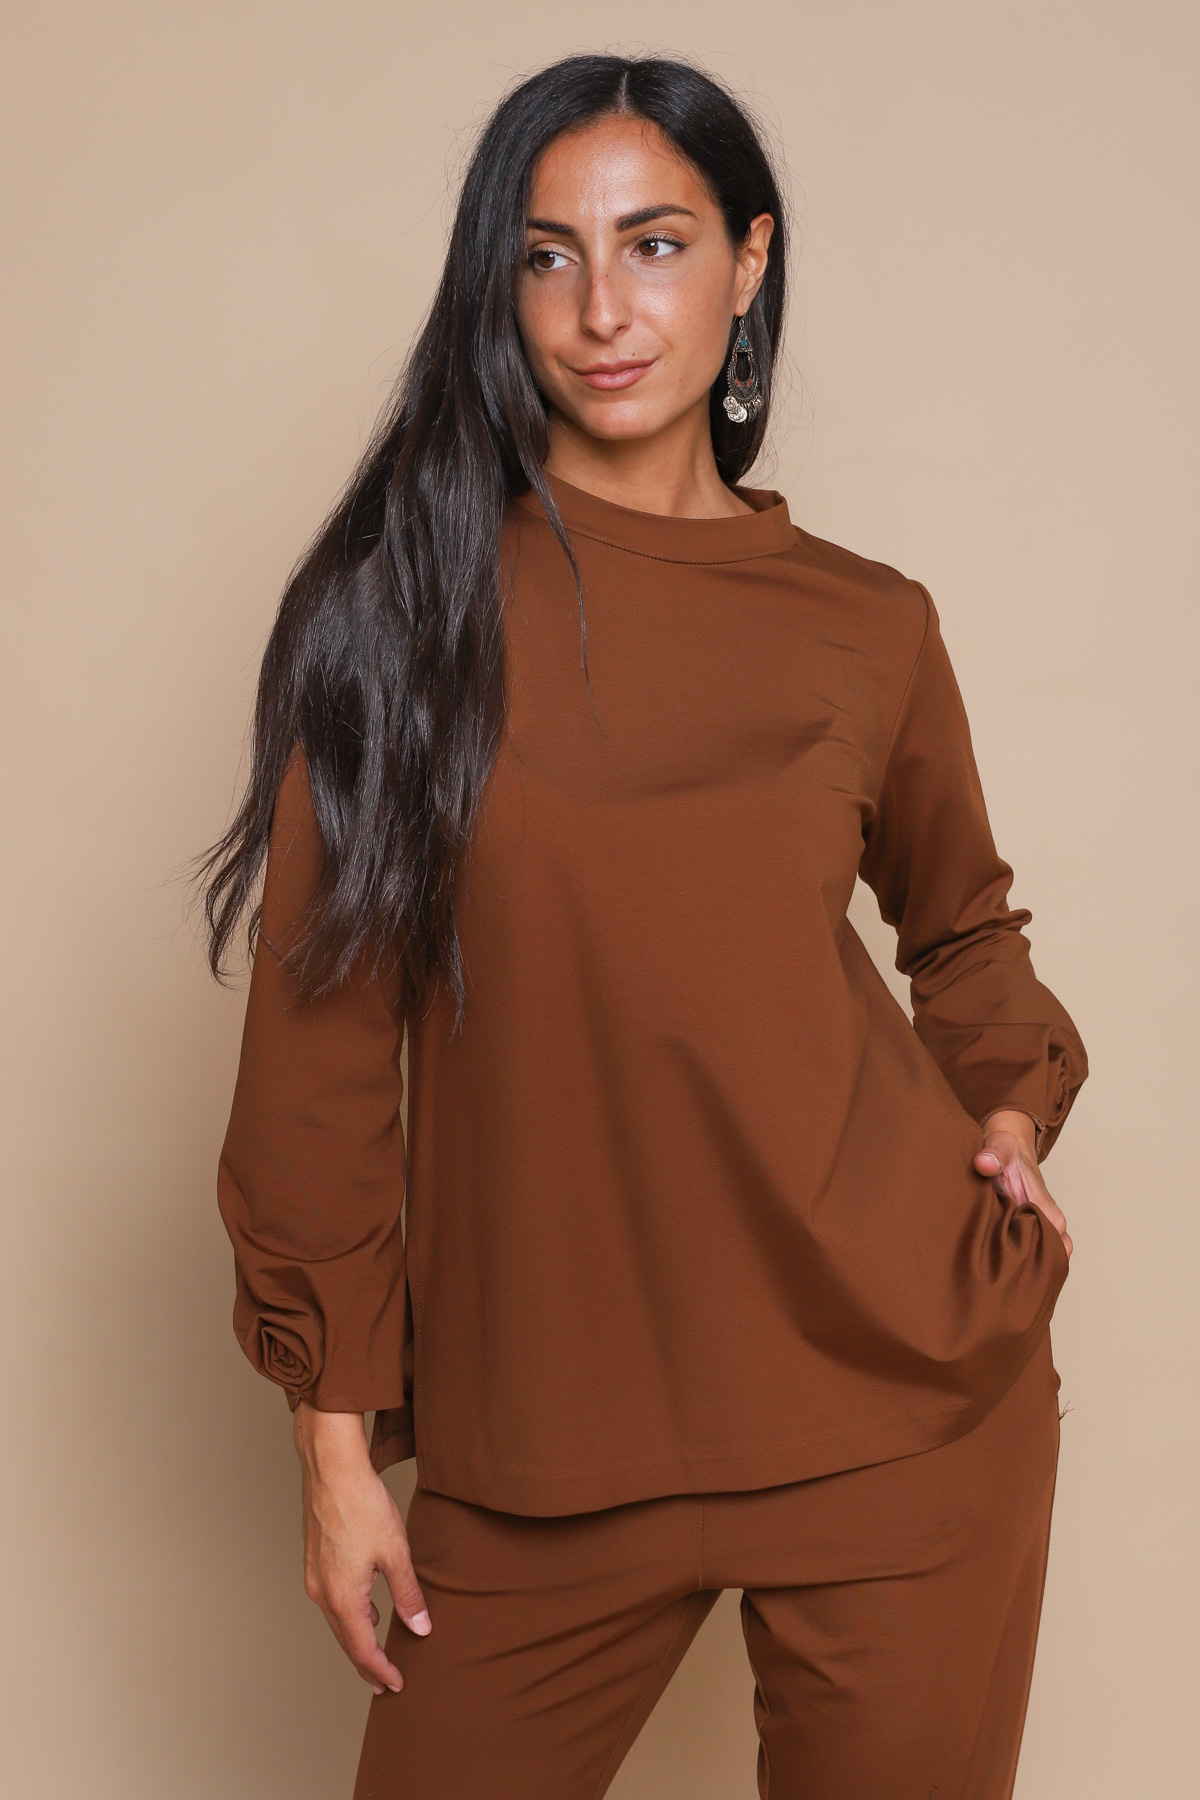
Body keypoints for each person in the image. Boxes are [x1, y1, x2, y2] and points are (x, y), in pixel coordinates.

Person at [200, 52, 1087, 1800]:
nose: (601, 309)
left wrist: (1006, 1101)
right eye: (549, 256)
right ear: (501, 285)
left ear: (748, 262)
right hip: (547, 1443)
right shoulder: (406, 621)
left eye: (655, 244)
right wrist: (333, 1443)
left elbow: (966, 929)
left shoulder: (868, 625)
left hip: (904, 1403)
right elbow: (318, 1066)